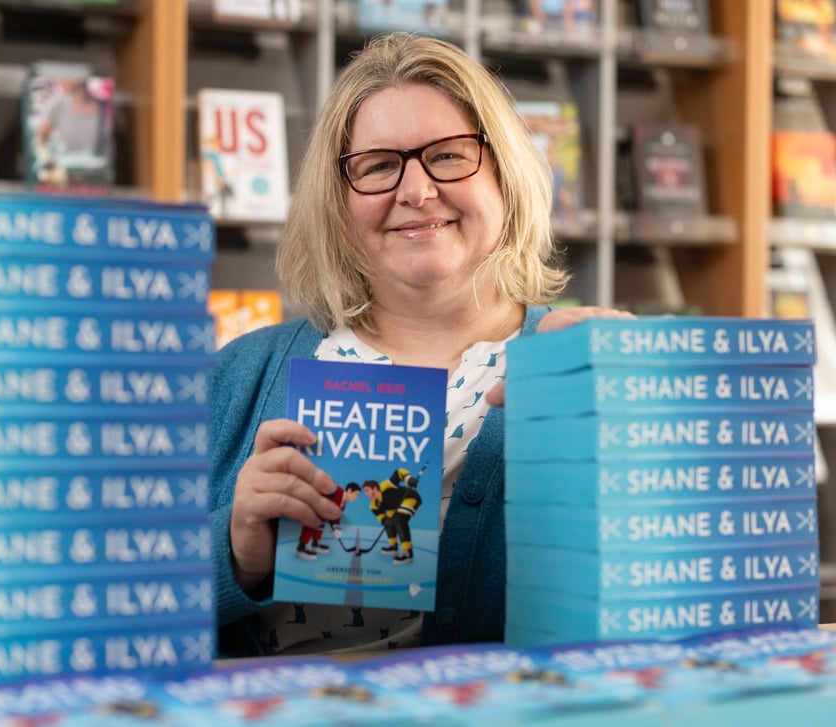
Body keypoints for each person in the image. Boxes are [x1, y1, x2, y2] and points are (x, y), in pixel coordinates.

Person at [209, 32, 631, 657]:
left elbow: (681, 591)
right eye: (379, 165)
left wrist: (648, 431)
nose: (416, 191)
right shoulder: (240, 375)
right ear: (337, 200)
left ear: (504, 174)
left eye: (449, 155)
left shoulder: (580, 363)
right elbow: (111, 601)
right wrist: (235, 551)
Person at [362, 469, 421, 565]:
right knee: (388, 521)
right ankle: (393, 546)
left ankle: (408, 552)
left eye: (367, 490)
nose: (366, 493)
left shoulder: (385, 486)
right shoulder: (373, 505)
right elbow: (382, 518)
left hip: (410, 498)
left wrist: (409, 479)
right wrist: (386, 521)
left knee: (399, 519)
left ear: (375, 488)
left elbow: (398, 472)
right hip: (395, 507)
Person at [295, 482, 361, 560]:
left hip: (322, 515)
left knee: (321, 524)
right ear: (349, 490)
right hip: (313, 509)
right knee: (313, 523)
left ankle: (316, 543)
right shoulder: (337, 491)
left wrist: (336, 527)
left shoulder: (343, 504)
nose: (356, 497)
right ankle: (302, 546)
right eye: (356, 494)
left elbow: (335, 516)